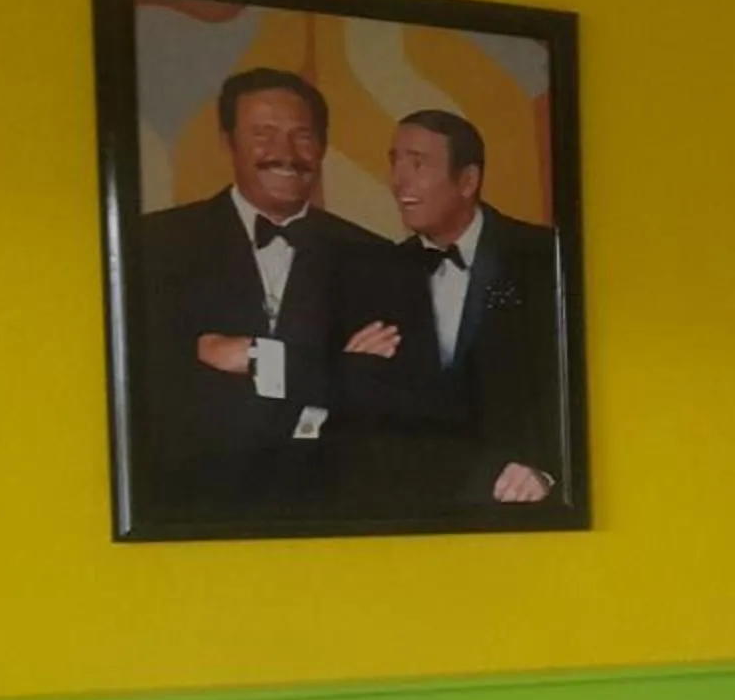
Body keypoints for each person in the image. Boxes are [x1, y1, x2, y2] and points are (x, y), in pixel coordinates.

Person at [134, 68, 399, 518]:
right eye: (263, 134)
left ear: (323, 147)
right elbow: (153, 380)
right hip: (185, 510)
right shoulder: (153, 244)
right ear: (228, 143)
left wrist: (253, 357)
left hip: (331, 508)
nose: (285, 154)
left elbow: (381, 393)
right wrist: (332, 368)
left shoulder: (376, 257)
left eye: (301, 136)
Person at [342, 108, 565, 509]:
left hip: (523, 508)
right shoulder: (377, 275)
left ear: (467, 181)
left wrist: (551, 472)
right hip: (417, 512)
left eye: (418, 163)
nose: (399, 181)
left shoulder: (544, 257)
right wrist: (352, 371)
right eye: (395, 162)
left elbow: (577, 385)